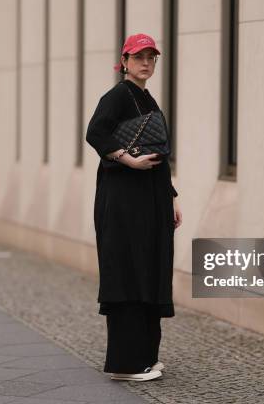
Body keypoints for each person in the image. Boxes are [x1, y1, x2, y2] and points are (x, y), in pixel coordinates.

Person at [85, 33, 182, 382]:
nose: (145, 62)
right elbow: (95, 133)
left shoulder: (145, 98)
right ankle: (125, 363)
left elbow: (160, 153)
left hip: (150, 199)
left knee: (150, 269)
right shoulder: (117, 96)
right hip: (124, 201)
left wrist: (170, 196)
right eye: (138, 56)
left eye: (151, 57)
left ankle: (145, 357)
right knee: (129, 270)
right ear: (124, 61)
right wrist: (127, 160)